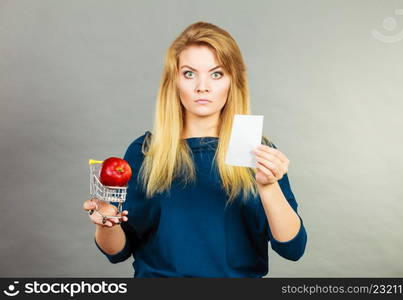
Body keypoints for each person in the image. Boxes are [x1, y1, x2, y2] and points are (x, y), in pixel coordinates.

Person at [82, 21, 307, 278]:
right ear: (174, 81)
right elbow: (117, 252)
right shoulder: (145, 152)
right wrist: (106, 222)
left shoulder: (257, 150)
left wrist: (269, 187)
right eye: (189, 73)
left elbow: (293, 248)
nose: (203, 86)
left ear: (233, 81)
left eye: (216, 74)